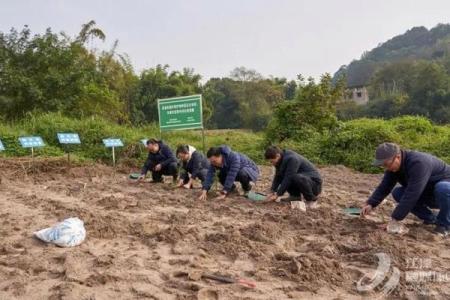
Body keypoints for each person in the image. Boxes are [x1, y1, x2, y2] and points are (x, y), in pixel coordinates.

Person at [361, 142, 450, 236]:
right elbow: (384, 186)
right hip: (428, 191)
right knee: (398, 193)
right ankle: (432, 218)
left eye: (387, 164)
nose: (386, 168)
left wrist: (395, 219)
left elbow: (412, 193)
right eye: (383, 165)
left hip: (444, 193)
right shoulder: (393, 168)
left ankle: (445, 225)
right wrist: (371, 203)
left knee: (443, 188)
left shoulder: (418, 163)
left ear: (398, 157)